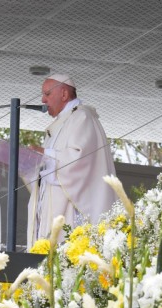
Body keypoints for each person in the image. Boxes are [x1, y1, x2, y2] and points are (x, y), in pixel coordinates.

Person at [26, 74, 118, 246]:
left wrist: (44, 153)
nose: (43, 100)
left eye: (47, 94)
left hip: (71, 211)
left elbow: (78, 162)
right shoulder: (63, 122)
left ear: (64, 94)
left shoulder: (82, 117)